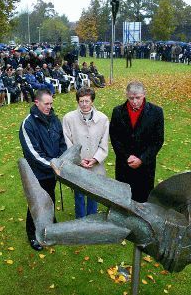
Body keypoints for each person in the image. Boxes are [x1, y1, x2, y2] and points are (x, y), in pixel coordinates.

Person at [19, 88, 66, 251]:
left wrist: (60, 160)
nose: (49, 107)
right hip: (37, 173)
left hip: (53, 171)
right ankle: (33, 234)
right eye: (46, 104)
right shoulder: (28, 124)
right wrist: (53, 165)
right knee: (36, 203)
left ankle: (50, 225)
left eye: (51, 103)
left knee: (50, 197)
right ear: (36, 103)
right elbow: (33, 153)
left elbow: (62, 142)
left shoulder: (54, 119)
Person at [109, 81, 164, 203]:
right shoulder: (117, 111)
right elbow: (114, 137)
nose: (134, 101)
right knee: (123, 199)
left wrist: (142, 159)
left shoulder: (156, 112)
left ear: (144, 94)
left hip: (145, 166)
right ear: (127, 95)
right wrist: (126, 156)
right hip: (124, 165)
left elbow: (158, 140)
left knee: (143, 199)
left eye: (138, 98)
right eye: (131, 98)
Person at [62, 87, 109, 218]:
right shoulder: (68, 118)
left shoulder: (103, 119)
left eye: (87, 101)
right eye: (81, 101)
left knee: (94, 193)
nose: (84, 104)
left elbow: (104, 143)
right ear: (77, 101)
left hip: (95, 164)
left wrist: (95, 159)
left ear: (92, 101)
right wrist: (78, 160)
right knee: (79, 194)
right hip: (77, 164)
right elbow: (68, 142)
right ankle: (81, 220)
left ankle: (92, 218)